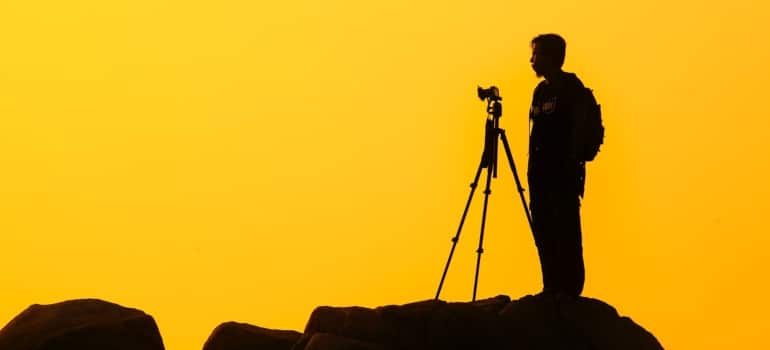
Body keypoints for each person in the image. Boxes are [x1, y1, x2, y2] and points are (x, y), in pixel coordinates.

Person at [527, 33, 587, 297]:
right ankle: (550, 285)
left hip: (562, 176)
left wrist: (571, 162)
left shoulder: (571, 88)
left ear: (552, 57)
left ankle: (570, 288)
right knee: (543, 230)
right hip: (539, 176)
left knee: (566, 231)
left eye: (536, 54)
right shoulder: (540, 92)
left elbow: (582, 130)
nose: (531, 60)